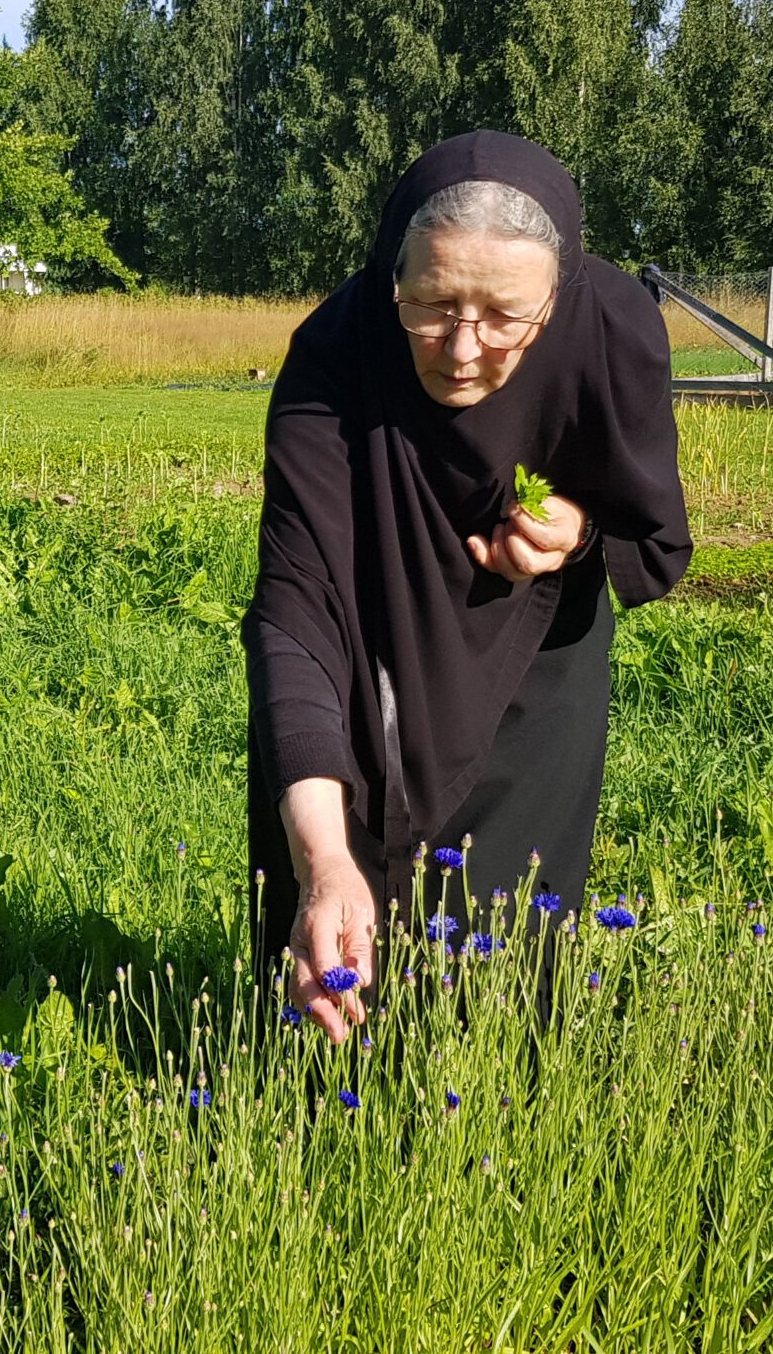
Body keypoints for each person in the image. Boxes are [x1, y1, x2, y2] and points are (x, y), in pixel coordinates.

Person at [243, 131, 692, 1042]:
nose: (462, 348)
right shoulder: (333, 359)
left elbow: (647, 523)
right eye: (432, 305)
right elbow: (295, 618)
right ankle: (313, 1111)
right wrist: (322, 858)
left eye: (503, 316)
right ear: (392, 278)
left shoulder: (611, 332)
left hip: (538, 657)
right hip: (360, 645)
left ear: (557, 301)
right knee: (333, 902)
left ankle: (485, 1127)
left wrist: (577, 530)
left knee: (502, 941)